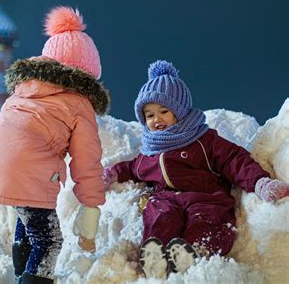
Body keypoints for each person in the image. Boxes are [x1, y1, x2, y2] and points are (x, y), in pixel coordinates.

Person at [102, 60, 289, 279]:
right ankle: (155, 255)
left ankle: (198, 250)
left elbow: (234, 160)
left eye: (164, 111)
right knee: (159, 214)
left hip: (205, 195)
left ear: (180, 112)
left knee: (206, 219)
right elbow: (132, 168)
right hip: (167, 198)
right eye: (150, 115)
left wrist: (259, 182)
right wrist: (112, 173)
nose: (157, 119)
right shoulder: (150, 151)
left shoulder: (202, 140)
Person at [0, 6, 110, 283]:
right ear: (87, 72)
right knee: (49, 240)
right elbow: (87, 160)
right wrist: (91, 205)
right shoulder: (79, 103)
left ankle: (20, 274)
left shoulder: (22, 89)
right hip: (28, 165)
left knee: (28, 220)